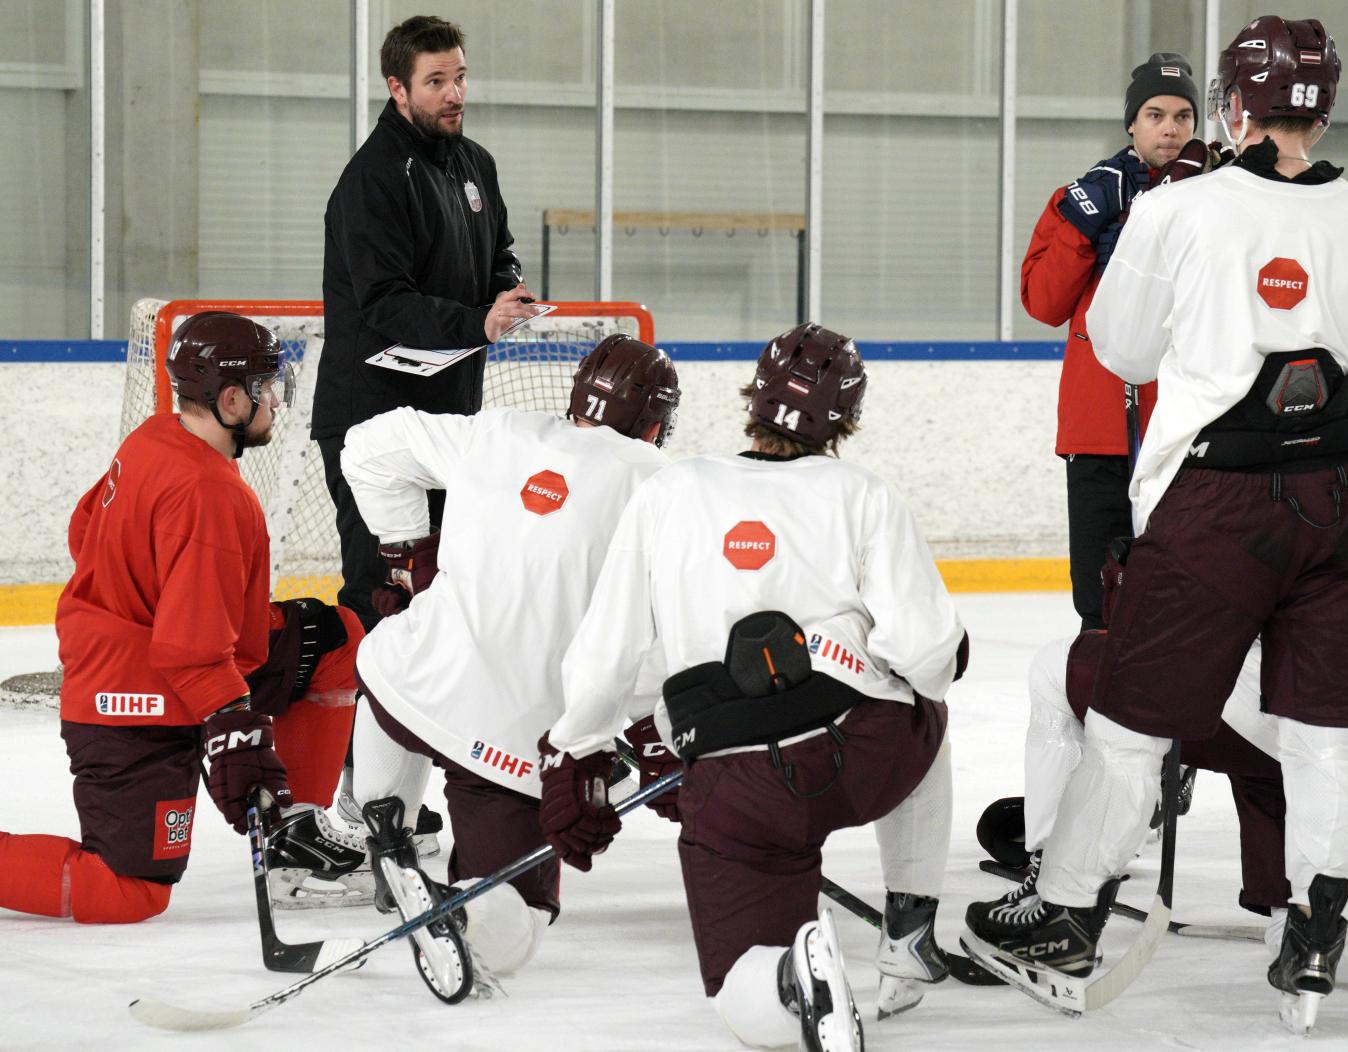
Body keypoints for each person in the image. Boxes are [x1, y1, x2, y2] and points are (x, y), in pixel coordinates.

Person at [964, 16, 1348, 1033]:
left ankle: (1066, 913)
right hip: (1347, 498)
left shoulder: (1179, 209)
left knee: (1131, 723)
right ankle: (1316, 930)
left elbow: (1121, 349)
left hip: (1219, 500)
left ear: (1234, 104)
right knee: (1328, 735)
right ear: (1324, 109)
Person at [544, 323, 965, 1051]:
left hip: (737, 781)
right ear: (848, 416)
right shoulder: (864, 494)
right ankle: (909, 931)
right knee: (926, 715)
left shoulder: (671, 488)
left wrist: (576, 747)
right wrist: (939, 660)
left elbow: (609, 647)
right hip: (861, 753)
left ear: (754, 397)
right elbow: (927, 654)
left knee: (745, 997)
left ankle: (791, 978)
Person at [336, 336, 677, 1001]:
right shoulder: (658, 483)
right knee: (518, 926)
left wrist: (409, 556)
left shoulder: (497, 431)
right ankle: (461, 910)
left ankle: (388, 831)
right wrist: (656, 730)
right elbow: (655, 632)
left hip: (404, 685)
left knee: (394, 676)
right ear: (655, 424)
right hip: (511, 739)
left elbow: (366, 447)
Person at [0, 313, 357, 924]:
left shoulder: (157, 435)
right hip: (134, 695)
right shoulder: (210, 493)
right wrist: (233, 724)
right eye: (267, 387)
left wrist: (144, 594)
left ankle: (290, 838)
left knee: (333, 639)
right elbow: (190, 650)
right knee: (126, 890)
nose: (277, 400)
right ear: (231, 400)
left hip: (171, 655)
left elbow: (84, 529)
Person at [317, 14, 537, 631]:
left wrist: (506, 289)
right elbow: (385, 302)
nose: (454, 93)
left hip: (445, 418)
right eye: (436, 81)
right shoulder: (373, 178)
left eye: (460, 77)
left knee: (446, 588)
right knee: (383, 593)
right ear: (398, 88)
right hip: (371, 422)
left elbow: (500, 251)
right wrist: (477, 323)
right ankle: (362, 697)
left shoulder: (476, 164)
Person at [1019, 52, 1199, 630]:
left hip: (1189, 431)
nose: (1169, 129)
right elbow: (1043, 303)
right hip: (1098, 431)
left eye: (1183, 116)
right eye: (1154, 115)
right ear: (1131, 124)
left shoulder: (1218, 202)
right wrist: (1084, 224)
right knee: (1101, 605)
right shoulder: (1080, 198)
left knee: (1187, 601)